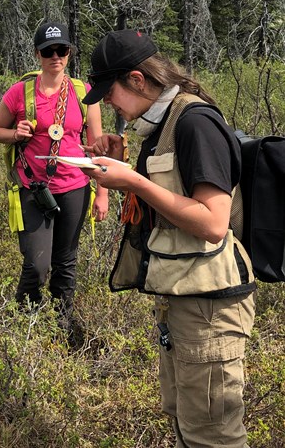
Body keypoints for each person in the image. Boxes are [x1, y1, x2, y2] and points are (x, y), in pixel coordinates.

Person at [81, 29, 256, 448]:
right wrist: (122, 166)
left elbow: (213, 222)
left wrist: (135, 182)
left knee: (213, 434)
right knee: (187, 422)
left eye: (111, 91)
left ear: (138, 80)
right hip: (186, 299)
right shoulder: (163, 125)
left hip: (211, 308)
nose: (107, 102)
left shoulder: (194, 123)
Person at [0, 21, 109, 337]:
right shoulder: (20, 92)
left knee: (65, 262)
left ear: (69, 52)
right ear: (38, 54)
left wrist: (104, 193)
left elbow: (96, 148)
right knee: (36, 265)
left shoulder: (85, 94)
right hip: (34, 189)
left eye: (62, 50)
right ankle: (22, 331)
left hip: (75, 187)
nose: (55, 56)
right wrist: (15, 134)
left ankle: (64, 330)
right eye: (48, 51)